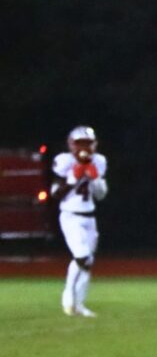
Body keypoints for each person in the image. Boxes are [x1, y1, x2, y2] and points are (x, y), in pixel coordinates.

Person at [52, 126, 108, 317]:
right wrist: (72, 179)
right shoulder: (64, 161)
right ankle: (68, 295)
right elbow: (55, 194)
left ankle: (79, 304)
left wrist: (95, 178)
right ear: (71, 145)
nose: (84, 148)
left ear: (94, 145)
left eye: (87, 143)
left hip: (89, 216)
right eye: (80, 143)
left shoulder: (99, 161)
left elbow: (101, 195)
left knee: (88, 262)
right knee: (82, 256)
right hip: (70, 215)